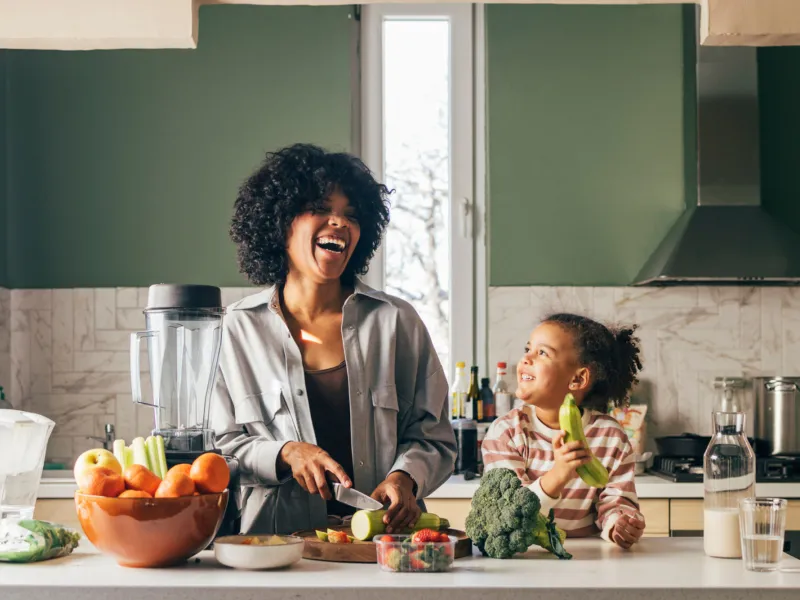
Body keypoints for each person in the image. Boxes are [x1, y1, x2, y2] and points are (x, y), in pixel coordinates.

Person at [210, 143, 457, 535]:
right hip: (276, 550)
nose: (340, 222)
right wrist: (285, 453)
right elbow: (218, 450)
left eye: (351, 215)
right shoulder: (235, 330)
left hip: (384, 548)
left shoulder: (397, 322)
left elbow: (435, 438)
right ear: (280, 223)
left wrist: (405, 478)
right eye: (321, 208)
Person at [481, 313, 645, 549]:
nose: (526, 358)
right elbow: (508, 513)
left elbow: (616, 501)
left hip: (587, 556)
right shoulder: (506, 432)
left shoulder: (611, 437)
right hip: (526, 554)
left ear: (578, 379)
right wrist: (559, 474)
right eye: (528, 349)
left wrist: (620, 524)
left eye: (542, 353)